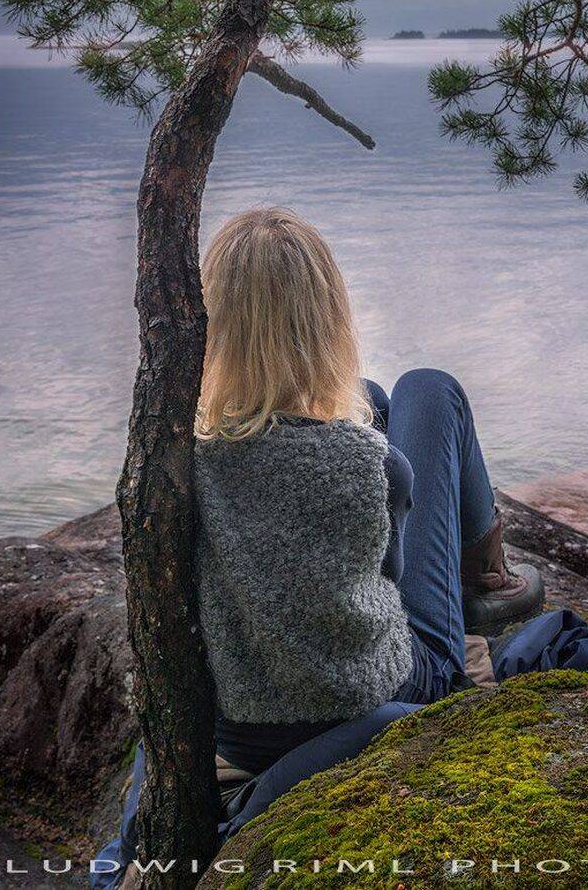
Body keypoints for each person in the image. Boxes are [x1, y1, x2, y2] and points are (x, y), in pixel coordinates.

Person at [193, 207, 544, 777]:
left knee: (368, 395)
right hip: (369, 699)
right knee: (429, 389)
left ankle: (481, 570)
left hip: (240, 728)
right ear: (326, 313)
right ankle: (484, 572)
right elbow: (390, 583)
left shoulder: (187, 455)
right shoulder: (375, 464)